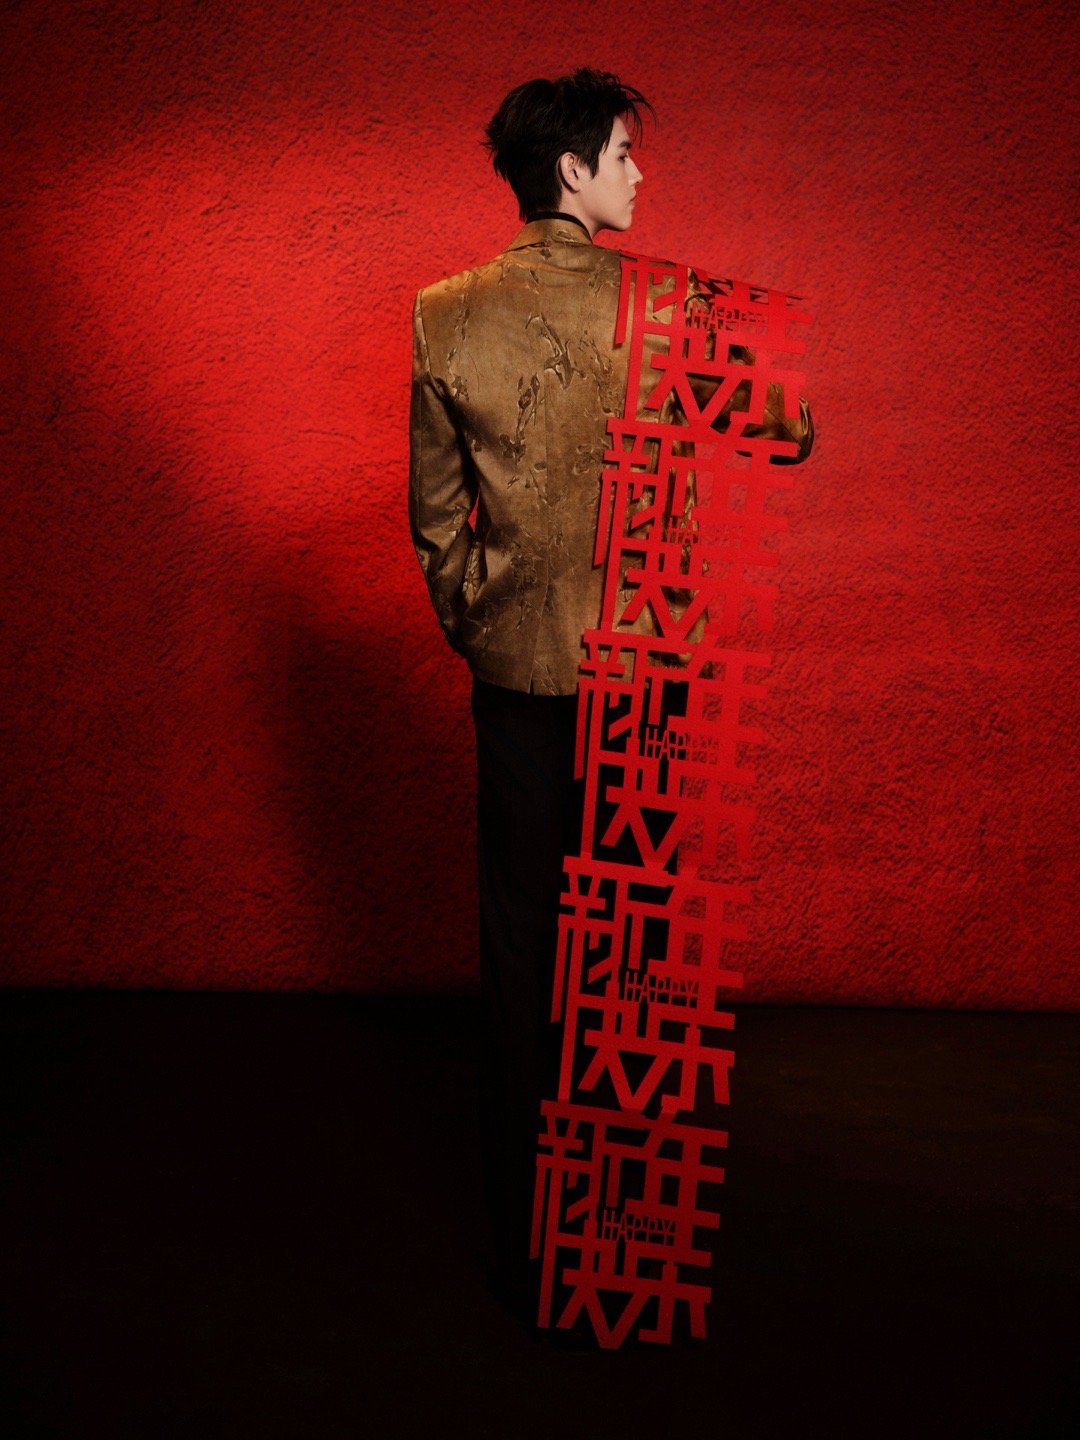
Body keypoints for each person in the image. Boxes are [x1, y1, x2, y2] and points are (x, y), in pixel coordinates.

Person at [408, 68, 814, 1331]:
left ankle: (520, 1256)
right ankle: (615, 1256)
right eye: (625, 154)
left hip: (516, 672)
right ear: (574, 169)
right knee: (630, 966)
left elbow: (435, 518)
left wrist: (482, 617)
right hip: (646, 674)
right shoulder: (676, 303)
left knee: (517, 949)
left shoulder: (443, 311)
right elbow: (791, 427)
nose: (640, 174)